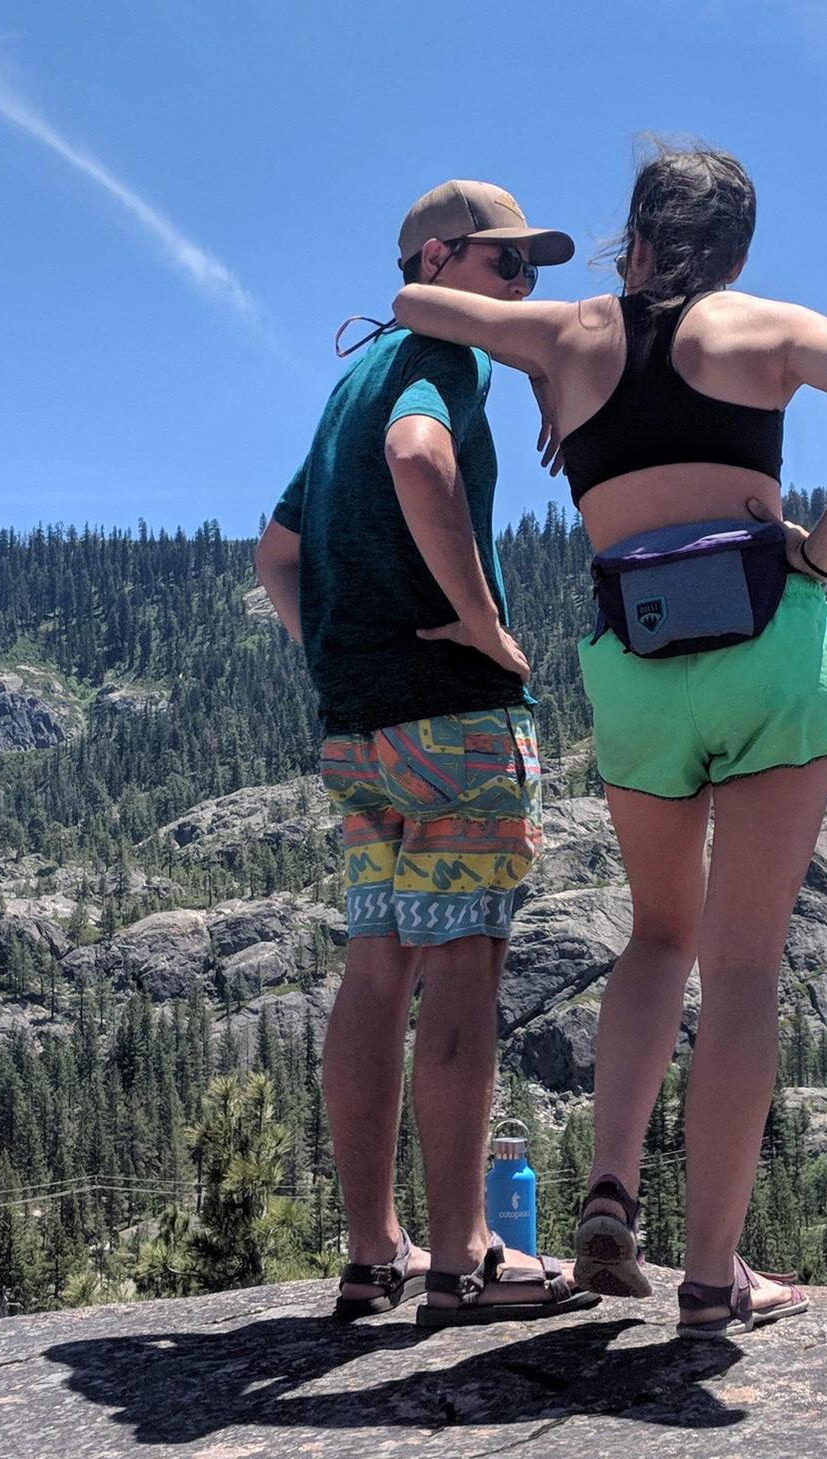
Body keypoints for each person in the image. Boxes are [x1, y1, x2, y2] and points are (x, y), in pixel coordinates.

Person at [394, 143, 827, 1336]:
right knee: (739, 965)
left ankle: (609, 1185)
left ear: (632, 230)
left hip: (634, 671)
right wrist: (825, 549)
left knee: (654, 936)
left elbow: (417, 301)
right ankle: (713, 1275)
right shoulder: (757, 327)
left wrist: (541, 365)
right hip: (765, 655)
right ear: (732, 249)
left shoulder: (569, 334)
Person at [256, 180, 599, 1328]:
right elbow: (418, 459)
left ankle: (374, 1253)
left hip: (358, 724)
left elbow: (277, 551)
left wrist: (339, 659)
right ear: (439, 261)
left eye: (532, 276)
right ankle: (463, 1260)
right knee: (462, 967)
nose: (521, 291)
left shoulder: (348, 379)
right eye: (505, 267)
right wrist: (481, 622)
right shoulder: (436, 365)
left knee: (375, 965)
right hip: (454, 716)